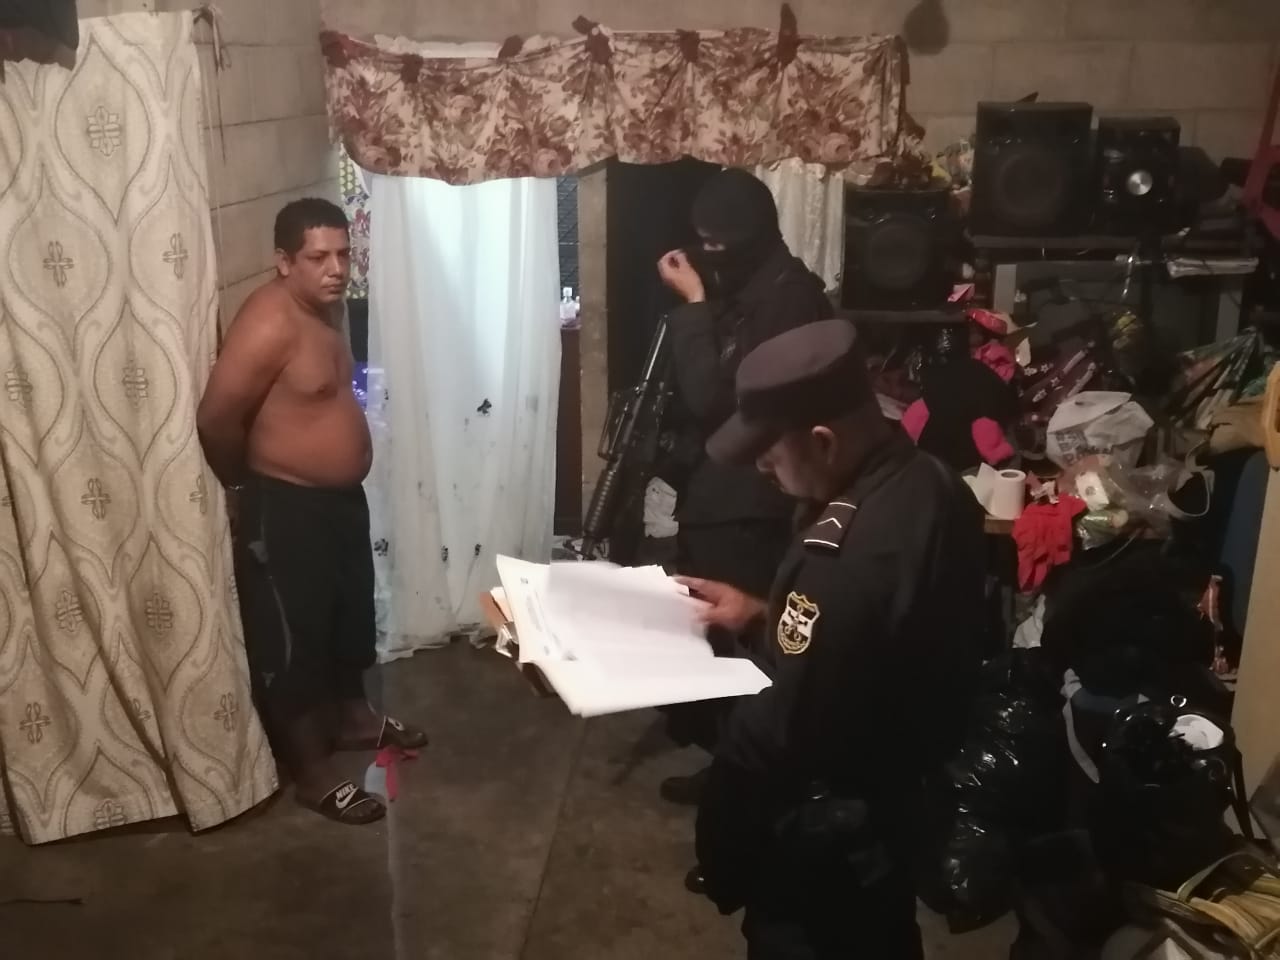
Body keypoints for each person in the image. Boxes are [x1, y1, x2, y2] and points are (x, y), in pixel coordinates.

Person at [678, 318, 987, 958]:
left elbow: (776, 737)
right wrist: (762, 615)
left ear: (823, 442)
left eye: (770, 451)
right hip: (895, 813)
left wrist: (722, 846)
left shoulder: (841, 559)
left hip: (825, 846)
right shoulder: (931, 483)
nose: (761, 467)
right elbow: (873, 637)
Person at [197, 198, 427, 826]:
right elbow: (216, 418)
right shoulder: (270, 322)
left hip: (339, 503)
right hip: (287, 505)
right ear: (283, 262)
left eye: (343, 254)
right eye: (318, 257)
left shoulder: (323, 310)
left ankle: (353, 718)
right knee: (294, 640)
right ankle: (312, 772)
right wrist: (242, 483)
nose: (336, 269)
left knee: (348, 617)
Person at [654, 167, 834, 804]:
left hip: (752, 502)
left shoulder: (787, 299)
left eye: (717, 243)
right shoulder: (758, 284)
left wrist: (694, 307)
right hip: (725, 495)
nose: (708, 254)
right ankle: (731, 760)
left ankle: (749, 778)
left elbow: (716, 398)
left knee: (745, 648)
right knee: (718, 637)